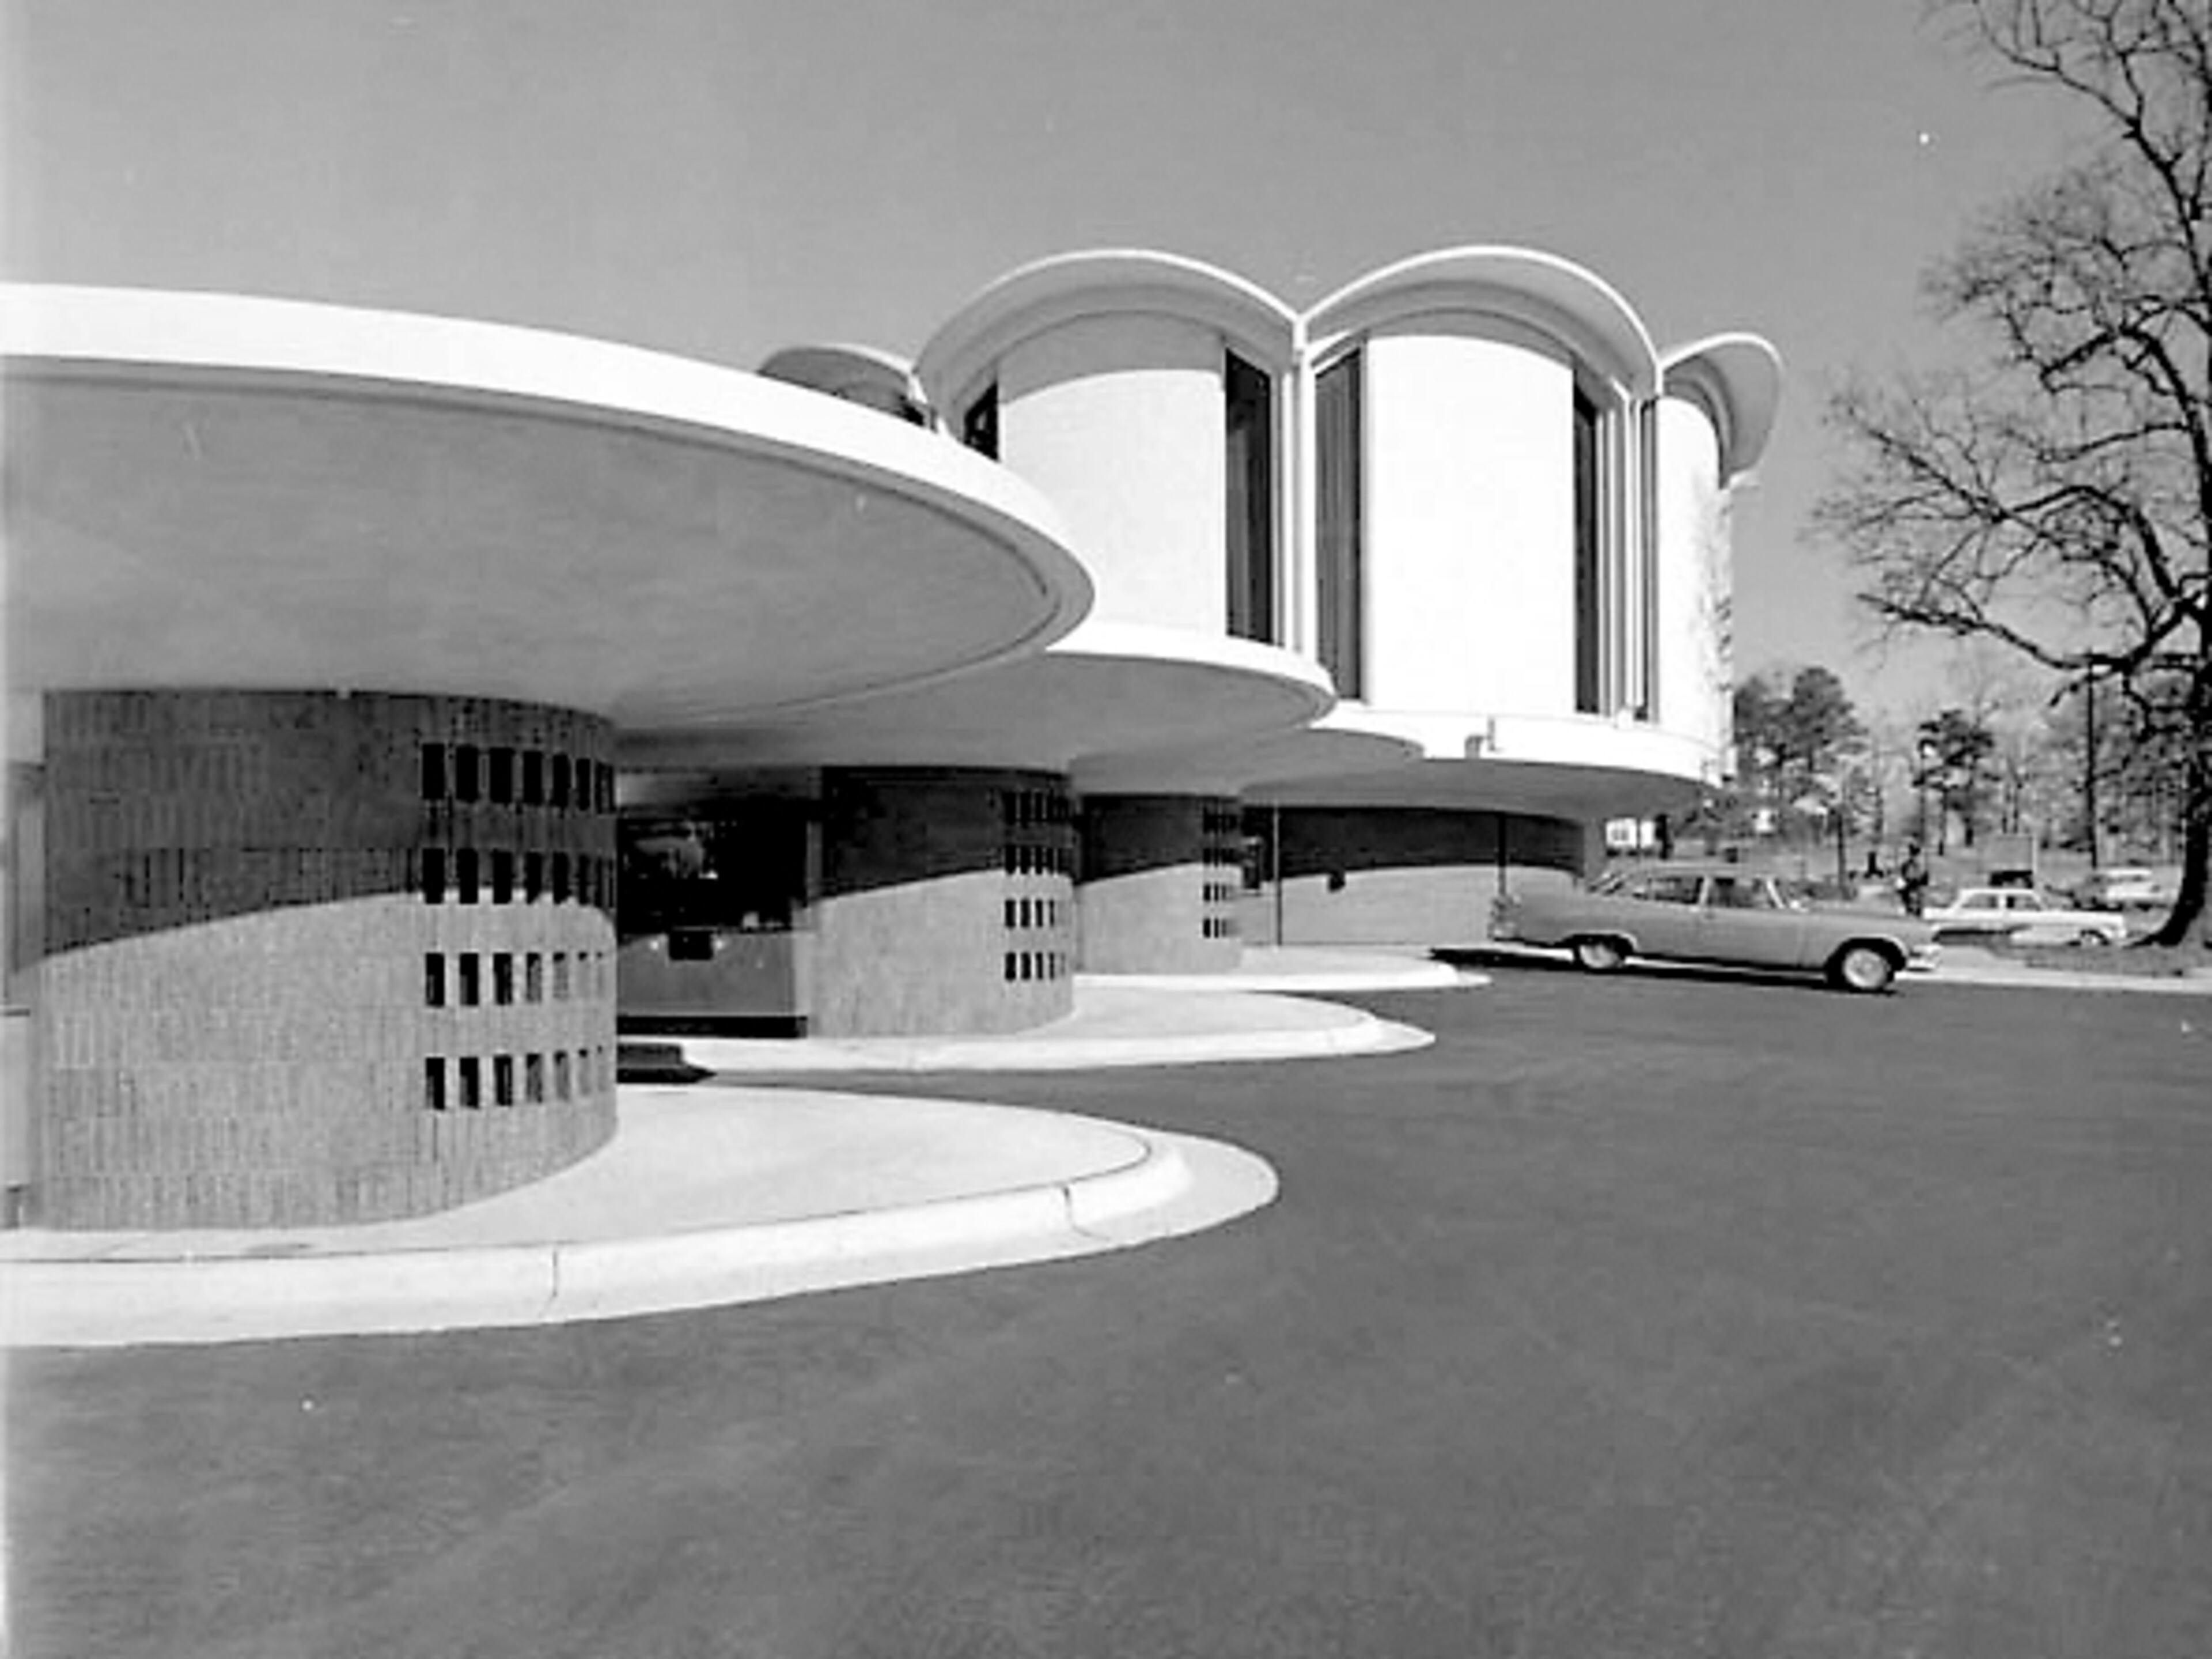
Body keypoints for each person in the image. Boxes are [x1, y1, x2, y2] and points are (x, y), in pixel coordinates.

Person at [1897, 840, 1929, 917]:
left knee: (1906, 891)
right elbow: (1905, 872)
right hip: (1915, 880)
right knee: (1903, 891)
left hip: (1919, 880)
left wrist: (1912, 880)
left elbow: (1921, 872)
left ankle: (1915, 909)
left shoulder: (1917, 860)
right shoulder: (1910, 862)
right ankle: (1911, 908)